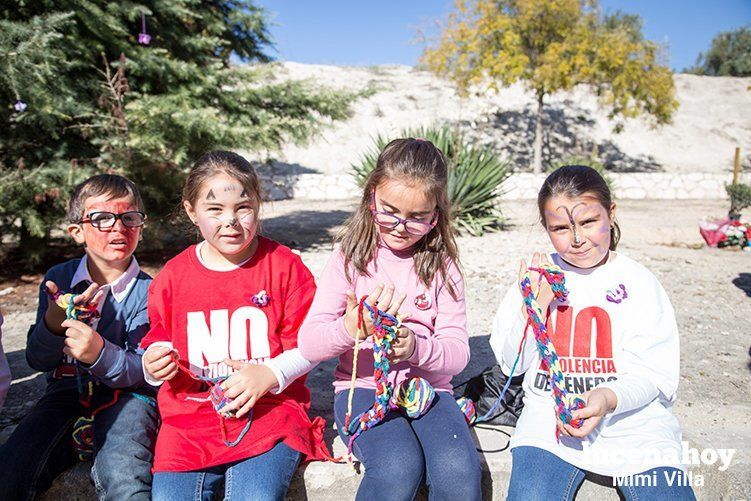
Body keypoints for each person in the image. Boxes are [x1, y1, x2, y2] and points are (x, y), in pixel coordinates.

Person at [490, 165, 695, 500]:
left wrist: (605, 399)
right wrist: (536, 307)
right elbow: (513, 364)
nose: (576, 239)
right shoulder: (538, 279)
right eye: (559, 227)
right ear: (546, 228)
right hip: (549, 425)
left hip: (634, 427)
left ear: (610, 214)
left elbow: (653, 376)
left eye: (588, 222)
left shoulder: (639, 282)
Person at [298, 138, 482, 501]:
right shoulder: (350, 259)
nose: (400, 225)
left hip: (430, 392)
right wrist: (352, 328)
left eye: (417, 217)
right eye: (390, 210)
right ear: (371, 197)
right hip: (363, 389)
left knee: (458, 470)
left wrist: (416, 348)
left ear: (436, 214)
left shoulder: (443, 268)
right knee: (398, 465)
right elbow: (309, 342)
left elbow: (458, 354)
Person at [141, 150, 328, 501]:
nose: (231, 221)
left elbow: (311, 345)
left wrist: (270, 374)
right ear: (191, 211)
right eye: (215, 209)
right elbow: (158, 338)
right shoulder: (173, 277)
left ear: (258, 205)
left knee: (255, 496)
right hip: (189, 420)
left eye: (243, 207)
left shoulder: (285, 268)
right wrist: (153, 363)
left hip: (270, 415)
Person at [0, 174, 157, 500]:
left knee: (124, 471)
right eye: (102, 218)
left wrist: (99, 353)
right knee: (13, 466)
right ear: (76, 231)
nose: (118, 228)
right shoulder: (60, 279)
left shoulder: (149, 291)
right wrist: (53, 323)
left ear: (141, 226)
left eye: (129, 217)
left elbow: (144, 371)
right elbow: (37, 359)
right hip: (64, 391)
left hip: (127, 399)